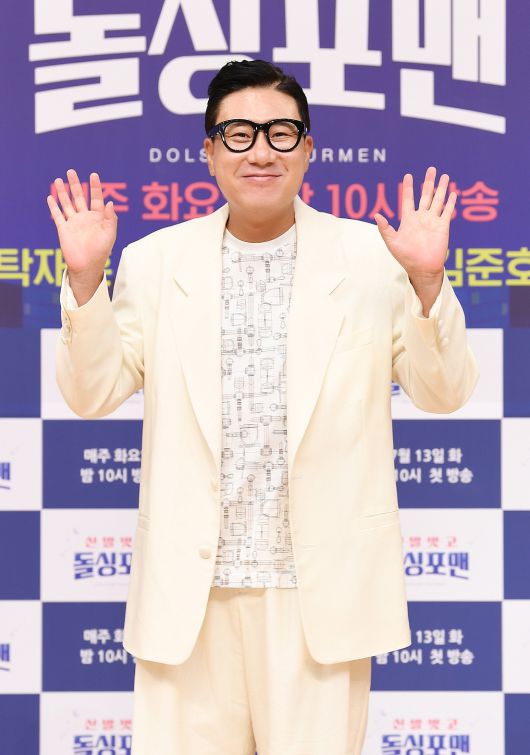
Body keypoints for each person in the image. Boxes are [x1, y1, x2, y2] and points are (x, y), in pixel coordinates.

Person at [49, 59, 479, 755]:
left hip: (318, 597)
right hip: (189, 597)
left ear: (307, 149)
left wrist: (428, 282)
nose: (260, 151)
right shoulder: (156, 261)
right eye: (239, 134)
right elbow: (90, 392)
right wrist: (85, 278)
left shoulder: (372, 257)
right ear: (209, 151)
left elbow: (445, 391)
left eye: (281, 133)